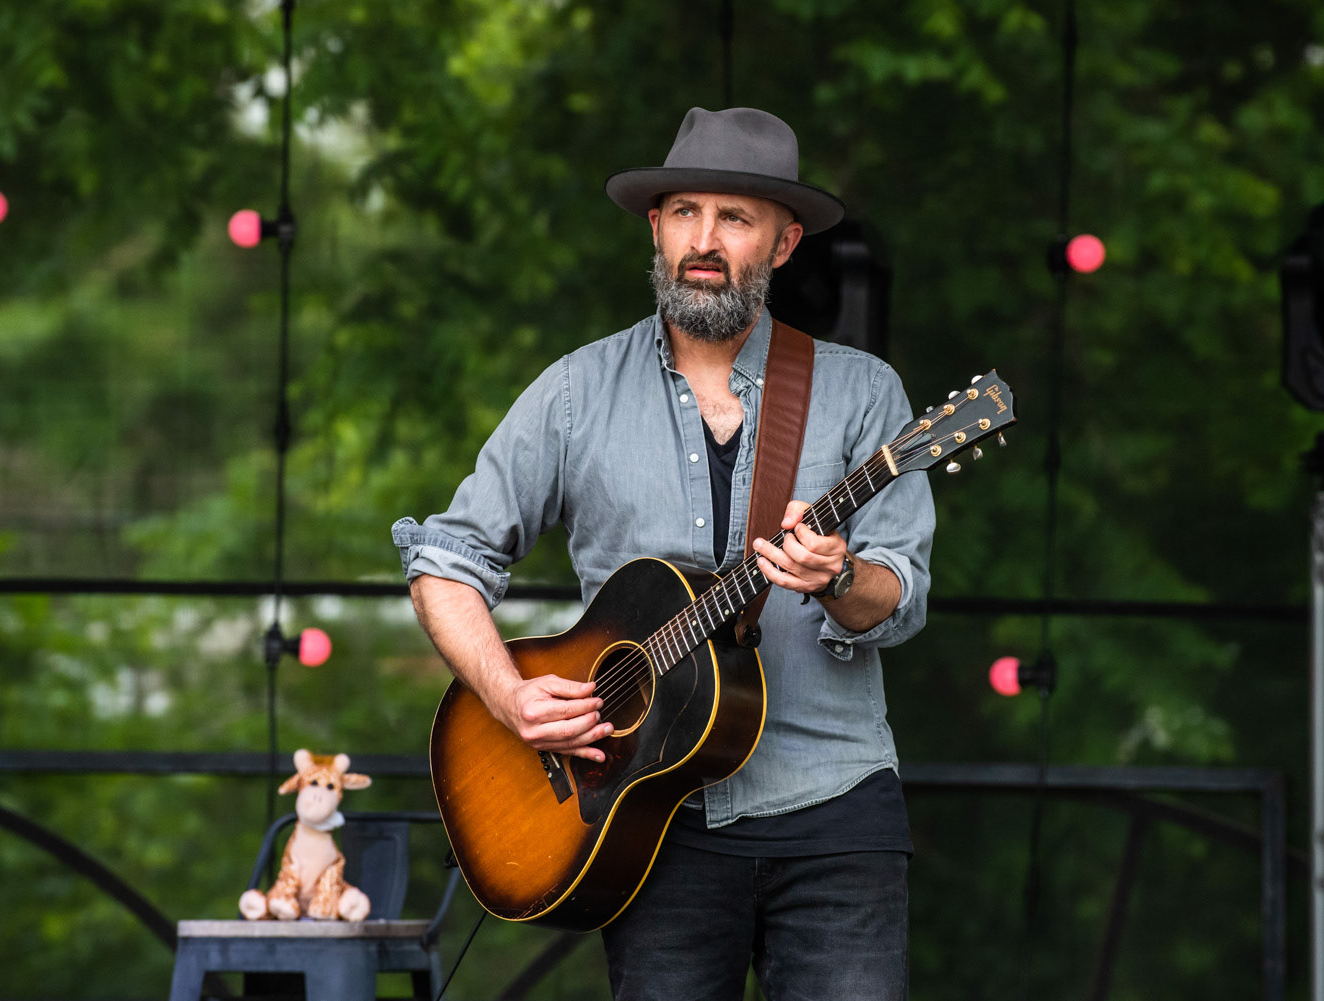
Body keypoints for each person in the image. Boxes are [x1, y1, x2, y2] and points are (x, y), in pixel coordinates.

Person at [392, 106, 934, 1001]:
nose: (704, 241)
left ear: (785, 242)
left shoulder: (861, 392)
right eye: (685, 212)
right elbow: (447, 558)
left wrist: (838, 575)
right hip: (646, 819)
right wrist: (509, 694)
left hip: (834, 810)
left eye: (735, 218)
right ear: (656, 226)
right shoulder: (575, 392)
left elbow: (900, 596)